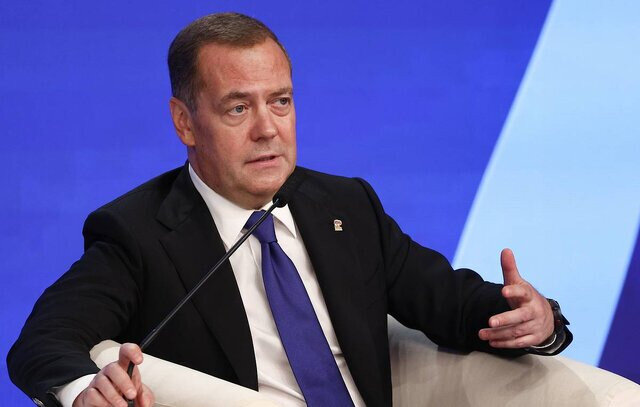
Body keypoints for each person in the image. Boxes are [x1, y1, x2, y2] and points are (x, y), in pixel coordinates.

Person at [7, 12, 572, 407]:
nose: (267, 129)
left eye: (280, 101)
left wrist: (534, 317)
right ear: (185, 123)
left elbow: (448, 300)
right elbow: (44, 340)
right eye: (237, 108)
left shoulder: (345, 205)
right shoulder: (138, 234)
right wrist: (84, 390)